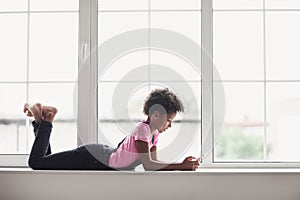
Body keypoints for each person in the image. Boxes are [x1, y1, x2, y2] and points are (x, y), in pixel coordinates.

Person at [24, 88, 200, 171]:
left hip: (101, 156)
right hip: (91, 158)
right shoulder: (142, 131)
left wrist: (182, 165)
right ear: (155, 114)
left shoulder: (153, 135)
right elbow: (148, 165)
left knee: (44, 164)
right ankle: (46, 118)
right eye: (168, 120)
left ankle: (42, 119)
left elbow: (154, 164)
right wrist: (181, 166)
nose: (169, 125)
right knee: (37, 163)